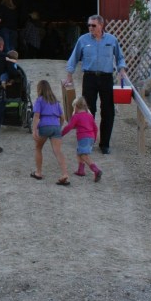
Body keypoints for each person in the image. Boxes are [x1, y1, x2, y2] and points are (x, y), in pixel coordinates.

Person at [65, 15, 128, 154]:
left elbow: (120, 57)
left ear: (101, 25)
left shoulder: (112, 40)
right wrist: (69, 75)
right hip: (89, 78)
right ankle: (88, 140)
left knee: (108, 111)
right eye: (89, 25)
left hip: (106, 78)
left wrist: (121, 69)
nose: (90, 28)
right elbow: (74, 57)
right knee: (88, 111)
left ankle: (104, 144)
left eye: (93, 25)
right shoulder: (83, 40)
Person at [30, 81, 69, 185]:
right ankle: (64, 173)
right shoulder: (55, 101)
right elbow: (62, 118)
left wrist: (34, 130)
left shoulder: (39, 100)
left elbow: (37, 116)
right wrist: (58, 127)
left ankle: (38, 172)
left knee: (38, 148)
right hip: (55, 126)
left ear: (39, 89)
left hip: (44, 125)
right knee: (58, 151)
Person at [61, 96, 100, 183]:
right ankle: (81, 170)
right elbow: (95, 128)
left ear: (76, 107)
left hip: (83, 137)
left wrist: (61, 134)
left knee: (83, 154)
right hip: (91, 137)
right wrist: (94, 138)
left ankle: (96, 170)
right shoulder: (90, 116)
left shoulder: (76, 117)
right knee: (79, 152)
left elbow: (69, 126)